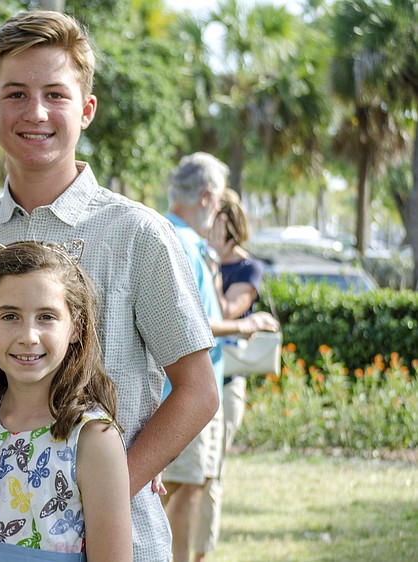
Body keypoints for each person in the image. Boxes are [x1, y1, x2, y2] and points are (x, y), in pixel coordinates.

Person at [0, 11, 219, 560]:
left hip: (119, 539)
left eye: (56, 95)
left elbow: (198, 391)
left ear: (86, 109)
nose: (36, 112)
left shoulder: (138, 234)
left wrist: (101, 491)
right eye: (16, 94)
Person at [0, 240, 132, 560]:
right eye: (10, 316)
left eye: (46, 316)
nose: (28, 336)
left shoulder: (92, 438)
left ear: (76, 327)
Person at [160, 154, 279, 562]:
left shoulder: (175, 237)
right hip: (183, 392)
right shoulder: (182, 243)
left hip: (184, 390)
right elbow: (192, 325)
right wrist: (244, 327)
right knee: (182, 488)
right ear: (207, 196)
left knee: (185, 486)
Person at [192, 188, 267, 562]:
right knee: (189, 476)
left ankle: (199, 554)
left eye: (217, 225)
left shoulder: (247, 269)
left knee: (210, 475)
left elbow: (225, 315)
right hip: (195, 381)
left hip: (226, 384)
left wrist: (215, 268)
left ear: (230, 228)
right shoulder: (197, 255)